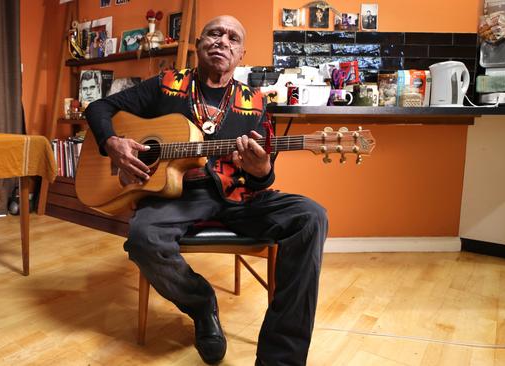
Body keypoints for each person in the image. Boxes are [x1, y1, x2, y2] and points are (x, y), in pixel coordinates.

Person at [85, 15, 327, 365]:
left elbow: (263, 176)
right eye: (214, 33)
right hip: (176, 196)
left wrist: (260, 171)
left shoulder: (255, 102)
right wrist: (113, 144)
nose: (222, 41)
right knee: (143, 238)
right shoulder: (167, 84)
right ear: (199, 44)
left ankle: (281, 358)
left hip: (236, 197)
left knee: (311, 217)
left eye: (233, 37)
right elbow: (99, 107)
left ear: (242, 53)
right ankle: (201, 304)